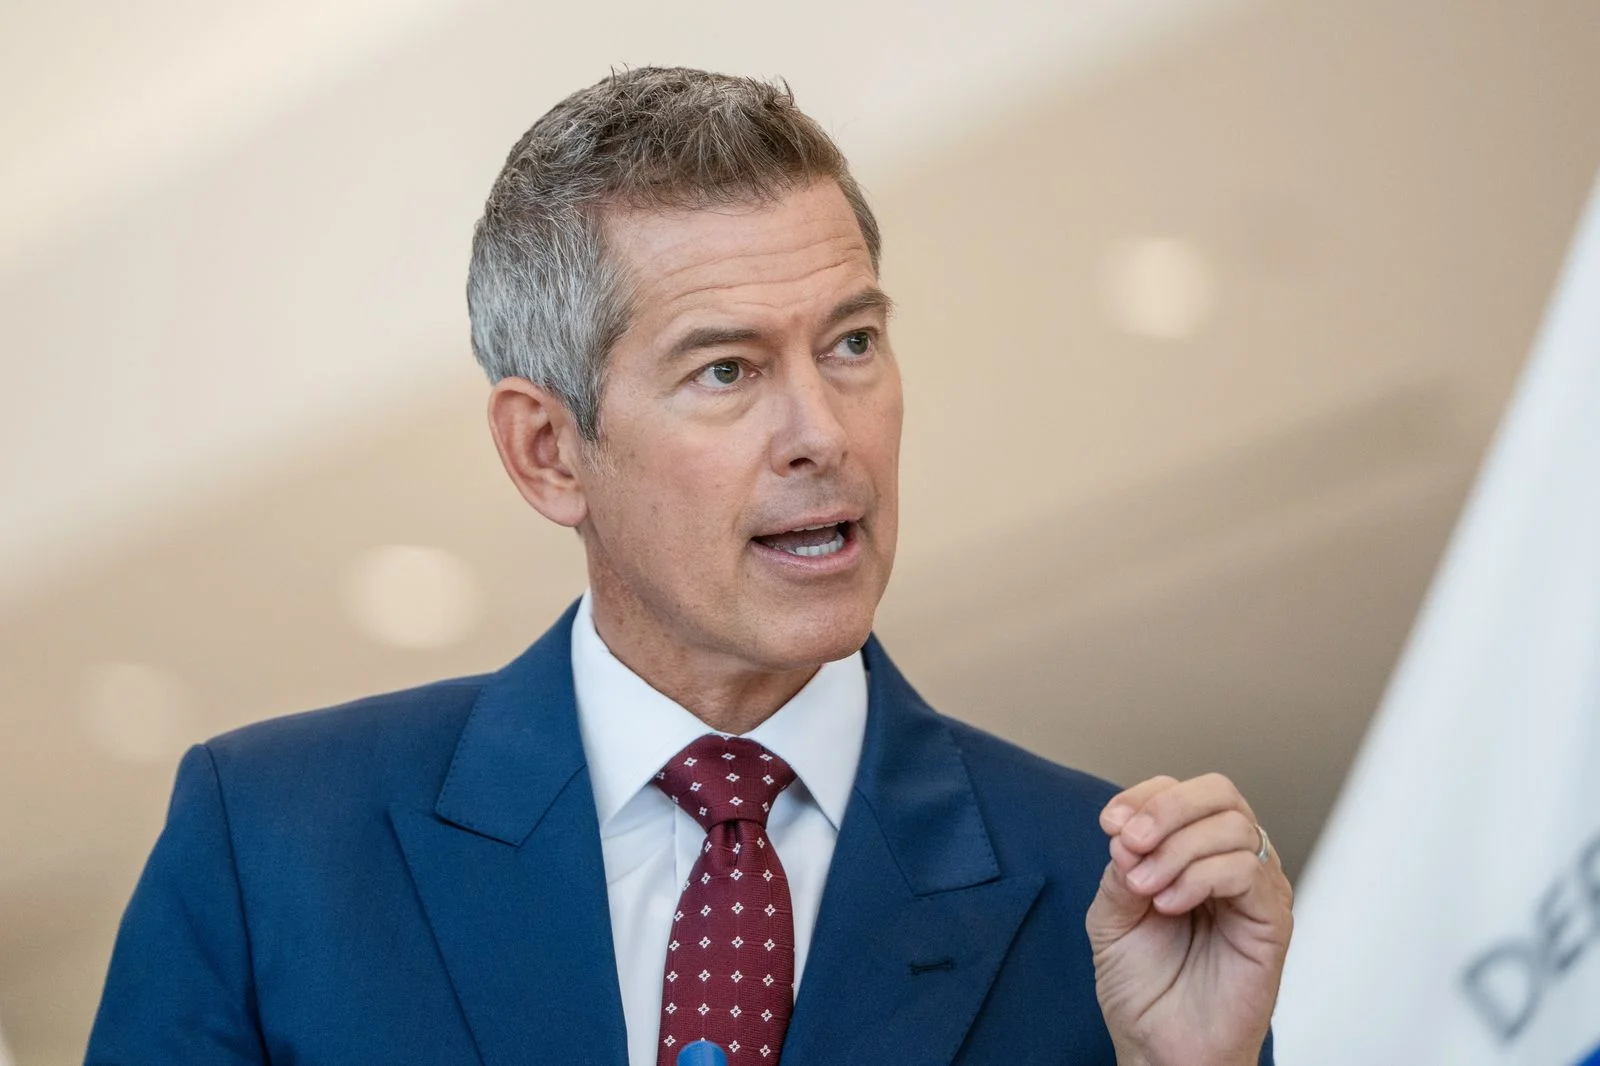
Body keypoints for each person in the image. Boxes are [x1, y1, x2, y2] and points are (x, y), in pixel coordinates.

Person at [87, 67, 1292, 1065]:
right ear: (548, 451)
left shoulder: (1102, 885)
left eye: (853, 342)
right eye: (727, 369)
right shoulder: (275, 843)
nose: (823, 430)